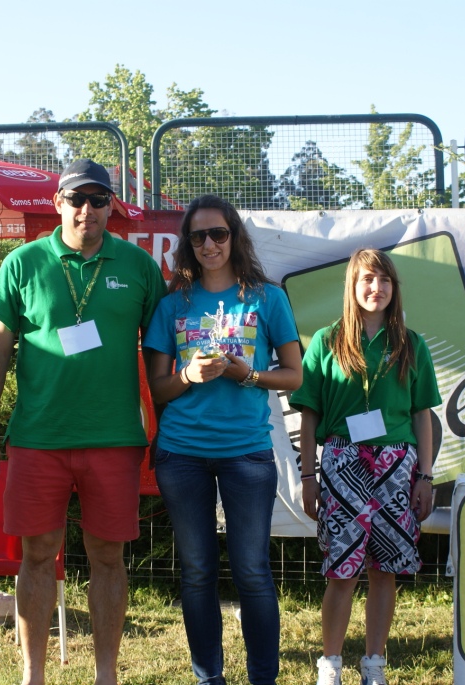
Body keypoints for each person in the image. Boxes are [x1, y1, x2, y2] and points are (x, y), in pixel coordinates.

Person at [0, 159, 166, 685]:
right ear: (57, 203)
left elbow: (160, 357)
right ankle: (32, 675)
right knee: (36, 555)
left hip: (114, 438)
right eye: (77, 199)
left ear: (110, 207)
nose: (87, 210)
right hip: (39, 438)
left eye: (98, 200)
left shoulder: (139, 266)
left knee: (109, 557)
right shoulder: (23, 263)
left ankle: (106, 675)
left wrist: (164, 427)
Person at [143, 195, 302, 685]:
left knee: (252, 571)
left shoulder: (267, 298)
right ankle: (208, 678)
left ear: (235, 236)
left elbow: (294, 376)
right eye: (198, 236)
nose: (209, 244)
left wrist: (247, 375)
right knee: (197, 572)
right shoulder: (172, 306)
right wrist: (188, 375)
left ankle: (262, 679)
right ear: (187, 244)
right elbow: (158, 388)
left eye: (218, 234)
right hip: (182, 454)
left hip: (246, 453)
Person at [290, 248, 441, 685]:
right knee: (342, 571)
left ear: (395, 288)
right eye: (368, 280)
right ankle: (330, 664)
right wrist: (308, 477)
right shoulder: (326, 341)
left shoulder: (412, 344)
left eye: (385, 280)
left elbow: (422, 416)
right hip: (342, 465)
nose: (377, 288)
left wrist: (425, 476)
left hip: (398, 467)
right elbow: (309, 416)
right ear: (352, 287)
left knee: (384, 570)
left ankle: (374, 664)